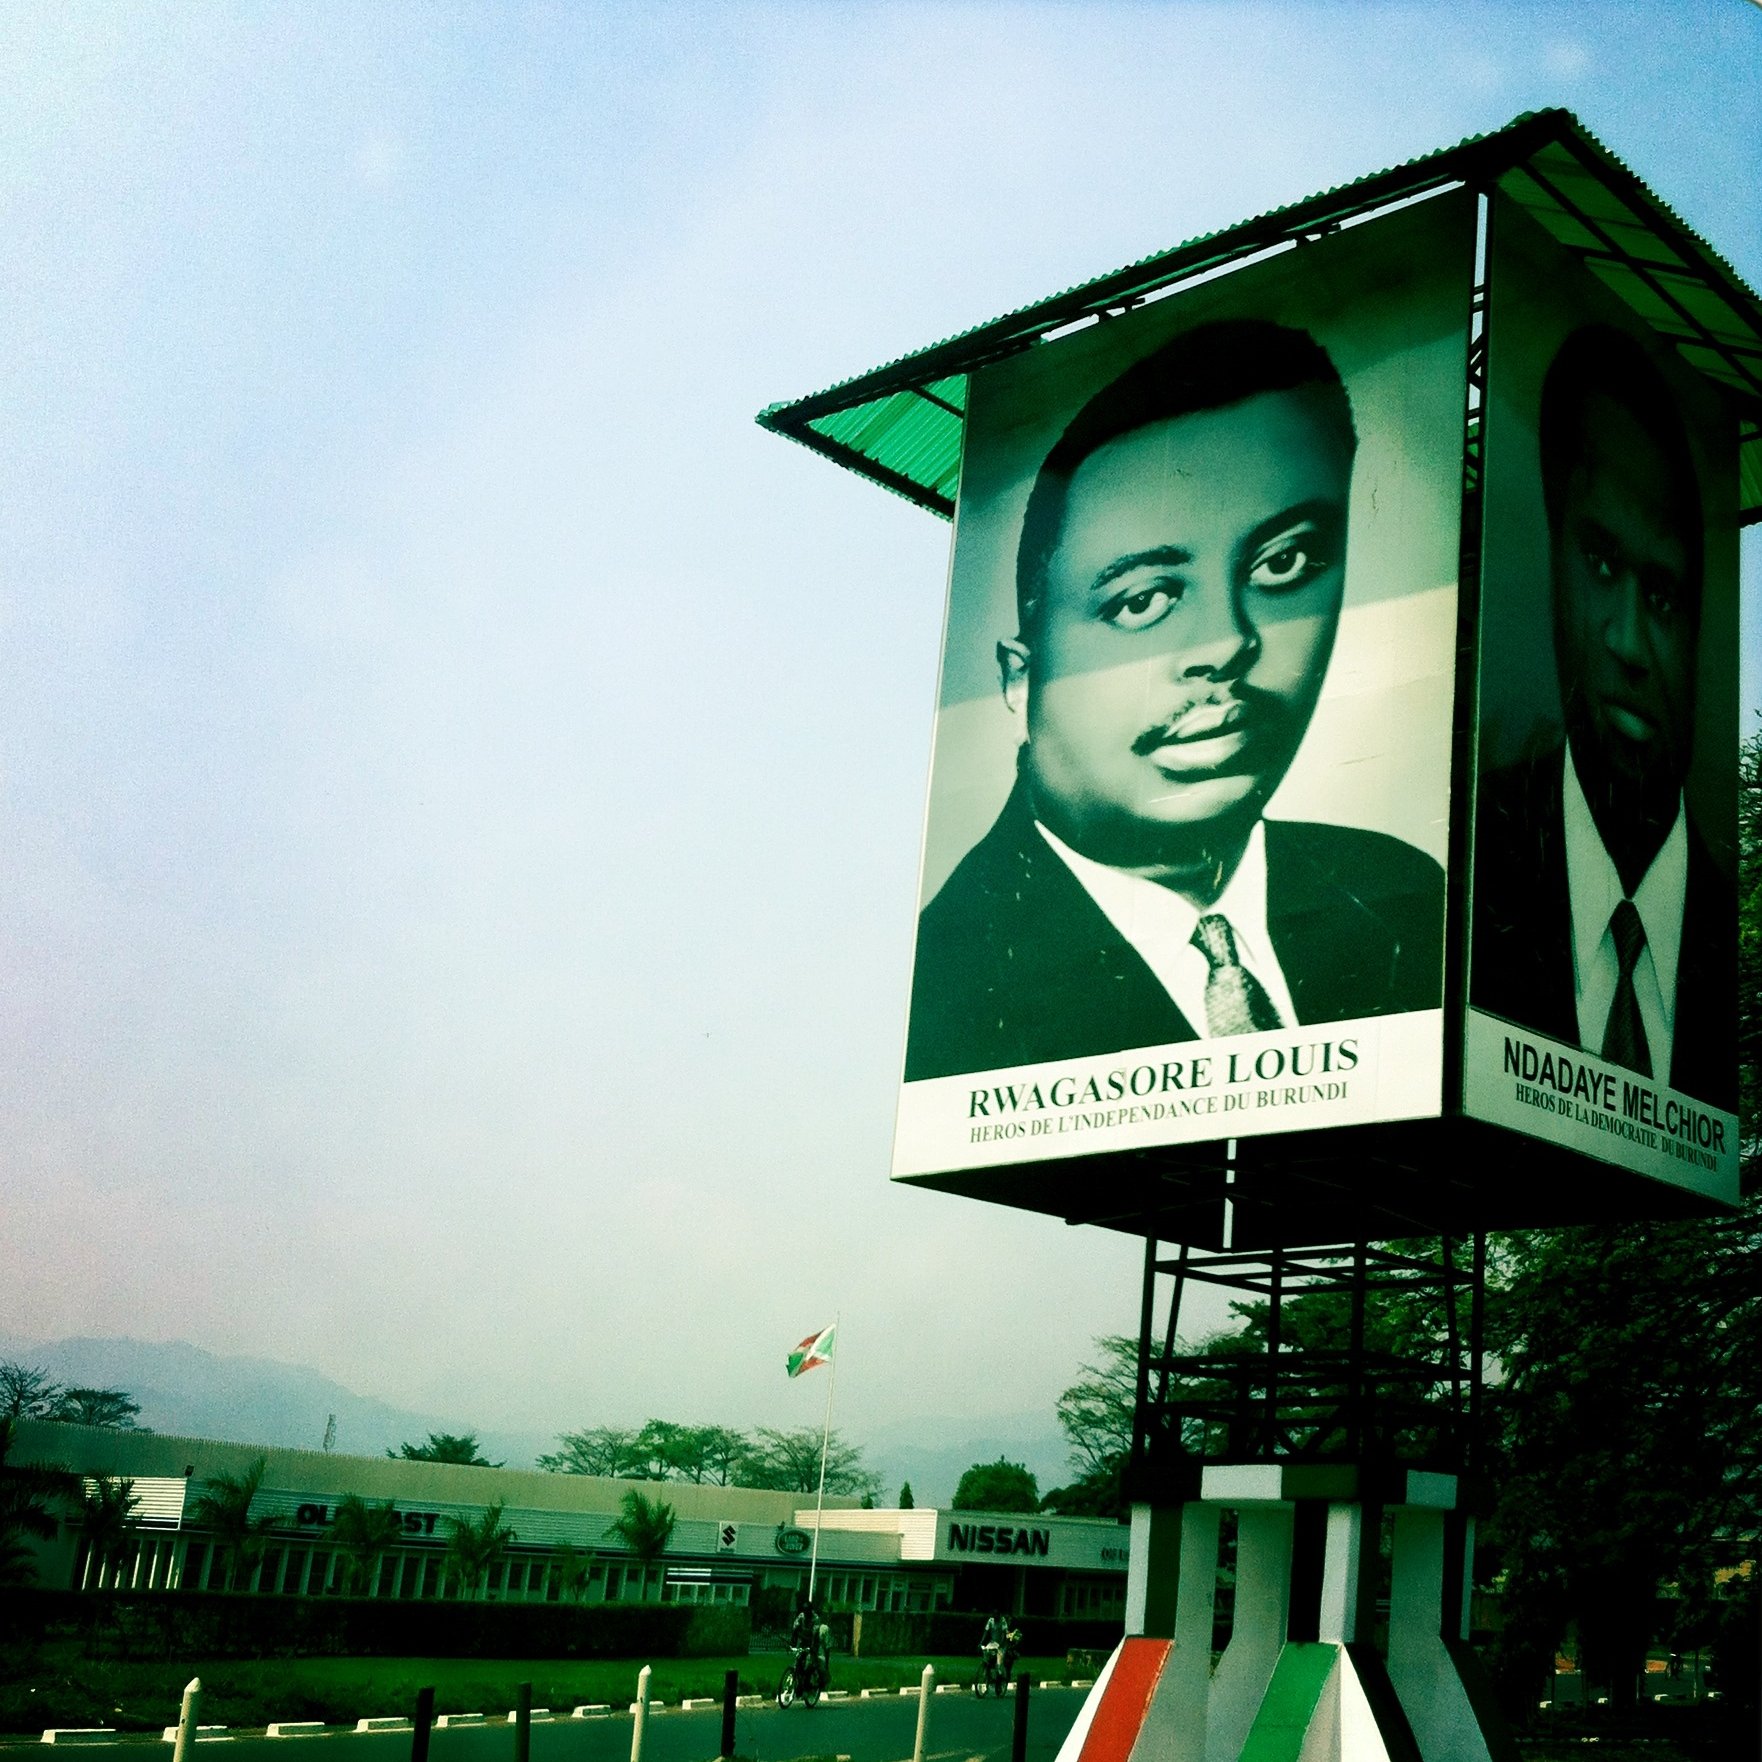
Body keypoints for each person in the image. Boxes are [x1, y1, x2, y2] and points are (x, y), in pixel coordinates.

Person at [904, 318, 1445, 1081]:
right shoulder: (954, 991)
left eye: (1283, 563)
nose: (1228, 643)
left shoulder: (1406, 894)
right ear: (1021, 676)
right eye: (1141, 603)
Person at [1471, 323, 1734, 1110]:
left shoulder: (1735, 946)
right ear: (1554, 562)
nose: (1629, 643)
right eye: (1600, 562)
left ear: (1697, 621)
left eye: (1660, 593)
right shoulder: (1465, 876)